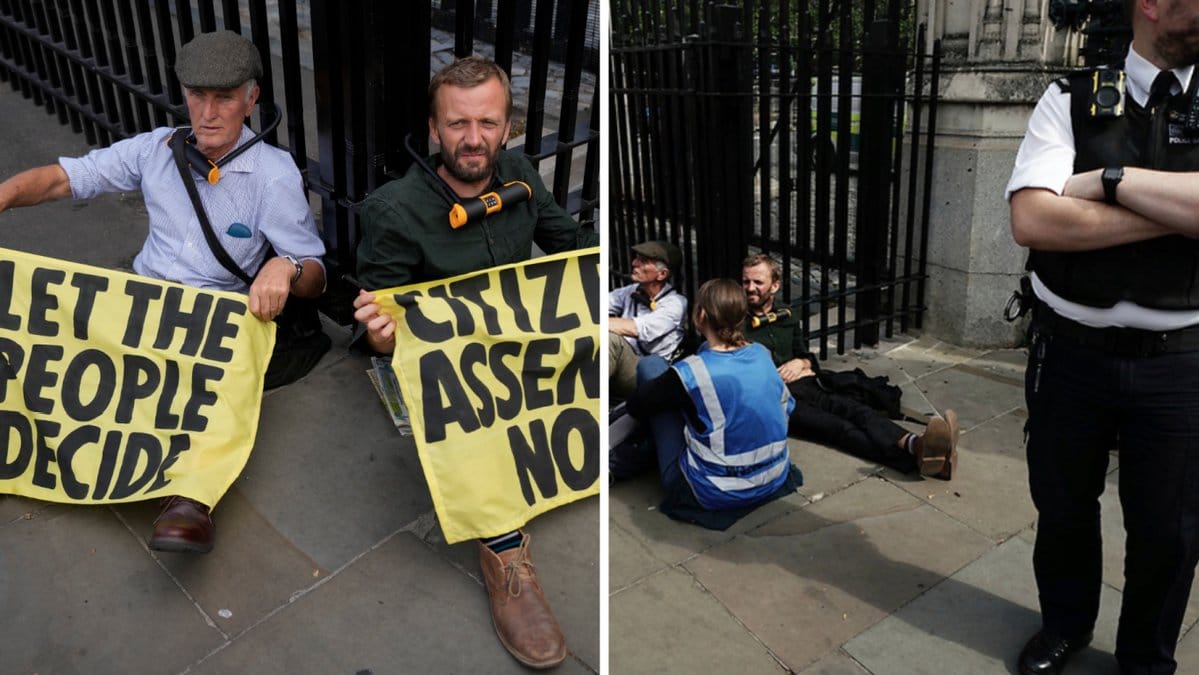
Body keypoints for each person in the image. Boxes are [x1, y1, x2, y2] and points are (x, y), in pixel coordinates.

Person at [0, 30, 326, 555]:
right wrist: (4, 196)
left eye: (224, 97)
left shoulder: (272, 175)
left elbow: (316, 273)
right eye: (197, 95)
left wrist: (284, 267)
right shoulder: (156, 149)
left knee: (224, 383)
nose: (209, 112)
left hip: (215, 314)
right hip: (145, 297)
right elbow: (64, 179)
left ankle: (189, 498)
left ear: (252, 98)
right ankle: (28, 445)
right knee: (44, 328)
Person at [352, 55, 597, 670]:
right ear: (434, 130)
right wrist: (382, 336)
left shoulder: (517, 172)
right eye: (457, 124)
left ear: (507, 126)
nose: (473, 139)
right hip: (455, 369)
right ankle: (504, 550)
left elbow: (569, 244)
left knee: (624, 366)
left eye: (487, 123)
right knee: (474, 420)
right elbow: (382, 334)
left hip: (521, 344)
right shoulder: (392, 209)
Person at [1007, 1, 1199, 672]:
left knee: (1168, 531)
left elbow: (1062, 204)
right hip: (1069, 354)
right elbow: (1032, 218)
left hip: (1178, 366)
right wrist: (1178, 211)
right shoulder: (1069, 96)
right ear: (1150, 3)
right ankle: (1064, 624)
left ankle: (1144, 659)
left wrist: (1107, 182)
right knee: (1060, 507)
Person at [741, 254, 958, 479]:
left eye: (758, 282)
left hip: (806, 384)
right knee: (840, 428)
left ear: (774, 285)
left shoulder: (786, 314)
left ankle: (916, 443)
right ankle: (922, 460)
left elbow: (806, 356)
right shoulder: (737, 322)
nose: (750, 288)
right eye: (746, 281)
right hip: (780, 402)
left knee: (858, 411)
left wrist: (801, 362)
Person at [617, 278, 801, 528]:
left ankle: (627, 453)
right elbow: (786, 406)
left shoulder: (691, 372)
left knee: (651, 367)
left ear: (700, 316)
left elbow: (638, 406)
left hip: (713, 490)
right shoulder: (761, 353)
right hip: (774, 475)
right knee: (695, 377)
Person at [608, 239, 688, 400]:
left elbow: (638, 329)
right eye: (637, 258)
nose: (634, 263)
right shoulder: (632, 291)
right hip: (624, 363)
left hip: (647, 375)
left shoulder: (675, 304)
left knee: (611, 339)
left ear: (662, 274)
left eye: (643, 261)